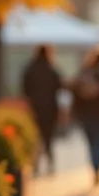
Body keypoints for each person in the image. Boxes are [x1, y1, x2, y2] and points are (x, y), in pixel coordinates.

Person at [72, 47, 99, 185]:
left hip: (87, 115)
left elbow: (76, 94)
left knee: (91, 144)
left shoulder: (84, 73)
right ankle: (98, 166)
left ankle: (95, 167)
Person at [21, 44, 63, 174]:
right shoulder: (52, 69)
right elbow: (60, 87)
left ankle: (36, 165)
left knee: (36, 137)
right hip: (50, 108)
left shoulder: (30, 69)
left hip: (35, 108)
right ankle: (50, 164)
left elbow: (25, 88)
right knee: (48, 138)